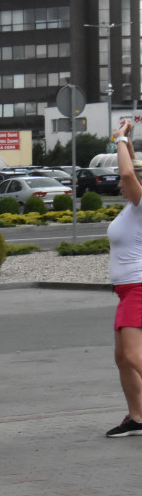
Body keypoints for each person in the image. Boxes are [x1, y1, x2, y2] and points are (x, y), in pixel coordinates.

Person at [106, 118, 142, 437]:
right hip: (126, 292)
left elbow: (129, 173)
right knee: (122, 358)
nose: (120, 181)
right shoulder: (133, 208)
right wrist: (127, 139)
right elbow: (133, 169)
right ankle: (138, 418)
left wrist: (118, 138)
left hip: (139, 289)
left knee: (133, 354)